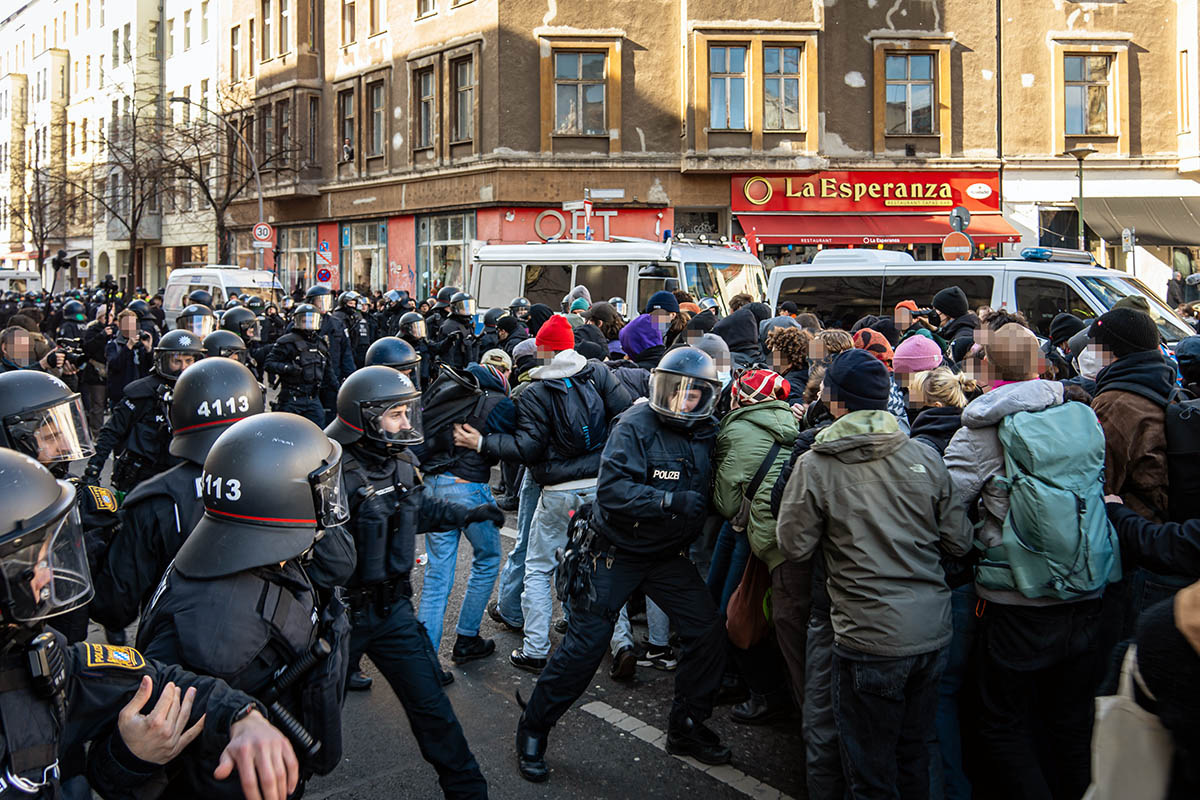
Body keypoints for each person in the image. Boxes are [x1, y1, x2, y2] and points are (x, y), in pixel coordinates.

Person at [0, 448, 302, 800]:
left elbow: (152, 680)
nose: (49, 575)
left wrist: (240, 715)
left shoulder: (30, 654)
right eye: (33, 564)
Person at [513, 347, 730, 782]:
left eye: (692, 395)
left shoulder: (708, 431)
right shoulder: (634, 426)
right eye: (673, 392)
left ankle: (687, 724)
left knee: (707, 631)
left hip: (665, 556)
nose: (680, 402)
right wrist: (668, 500)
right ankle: (534, 727)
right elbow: (612, 492)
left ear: (708, 398)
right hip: (614, 551)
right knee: (584, 648)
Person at [777, 348, 972, 800]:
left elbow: (794, 546)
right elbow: (959, 540)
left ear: (837, 402)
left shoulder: (817, 464)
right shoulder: (921, 454)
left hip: (865, 635)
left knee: (867, 768)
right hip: (932, 630)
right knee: (915, 751)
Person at [135, 413, 352, 798]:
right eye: (321, 490)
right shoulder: (220, 631)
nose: (329, 501)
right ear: (279, 504)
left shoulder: (244, 555)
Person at [943, 322, 1111, 800]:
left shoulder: (980, 431)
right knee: (1069, 722)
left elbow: (947, 503)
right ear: (1040, 363)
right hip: (1087, 584)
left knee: (1002, 724)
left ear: (987, 369)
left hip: (1015, 595)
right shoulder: (1080, 414)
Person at [324, 366, 491, 798]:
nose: (406, 423)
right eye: (395, 414)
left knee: (434, 711)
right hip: (339, 617)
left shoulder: (402, 463)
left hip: (393, 610)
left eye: (406, 412)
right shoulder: (331, 473)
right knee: (310, 724)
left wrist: (466, 514)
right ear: (364, 418)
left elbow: (415, 511)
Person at [454, 314, 632, 673]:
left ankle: (535, 649)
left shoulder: (534, 391)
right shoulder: (596, 372)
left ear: (543, 352)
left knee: (537, 568)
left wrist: (483, 442)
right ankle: (621, 641)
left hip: (557, 492)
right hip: (600, 486)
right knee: (607, 565)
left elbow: (529, 448)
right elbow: (625, 414)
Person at [90, 358, 266, 632]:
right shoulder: (288, 479)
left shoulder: (154, 500)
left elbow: (113, 607)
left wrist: (96, 545)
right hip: (267, 645)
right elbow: (337, 566)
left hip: (176, 650)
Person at [713, 369, 802, 723]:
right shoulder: (795, 423)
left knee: (734, 608)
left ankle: (759, 690)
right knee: (746, 608)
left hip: (746, 531)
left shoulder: (735, 428)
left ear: (740, 397)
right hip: (774, 533)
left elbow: (725, 500)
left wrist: (736, 512)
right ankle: (737, 677)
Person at [415, 361, 513, 664]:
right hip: (468, 489)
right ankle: (467, 638)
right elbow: (519, 443)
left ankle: (426, 661)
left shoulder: (449, 396)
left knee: (437, 573)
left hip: (433, 485)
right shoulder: (497, 403)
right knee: (487, 558)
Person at [86, 329, 203, 494]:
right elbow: (112, 431)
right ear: (164, 361)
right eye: (176, 361)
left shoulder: (202, 392)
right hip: (143, 478)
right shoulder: (143, 392)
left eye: (188, 361)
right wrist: (94, 468)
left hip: (184, 478)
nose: (183, 368)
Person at [265, 303, 336, 427]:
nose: (308, 324)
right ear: (297, 321)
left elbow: (328, 372)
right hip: (291, 398)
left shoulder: (321, 344)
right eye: (304, 321)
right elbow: (269, 364)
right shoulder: (287, 342)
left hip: (313, 398)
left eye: (311, 320)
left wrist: (338, 389)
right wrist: (287, 368)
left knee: (319, 432)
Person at [105, 308, 154, 406]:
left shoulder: (140, 345)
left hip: (141, 394)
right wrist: (129, 346)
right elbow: (115, 366)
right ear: (119, 325)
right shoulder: (113, 345)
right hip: (121, 395)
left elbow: (150, 368)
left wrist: (148, 349)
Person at [932, 286, 980, 364]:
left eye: (936, 310)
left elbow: (955, 369)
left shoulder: (964, 335)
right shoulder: (959, 328)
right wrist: (935, 330)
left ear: (947, 312)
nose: (934, 313)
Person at [436, 292, 479, 371]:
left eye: (469, 306)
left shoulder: (466, 324)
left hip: (466, 367)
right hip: (456, 370)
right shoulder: (449, 326)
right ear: (454, 308)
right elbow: (448, 354)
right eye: (463, 307)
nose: (467, 310)